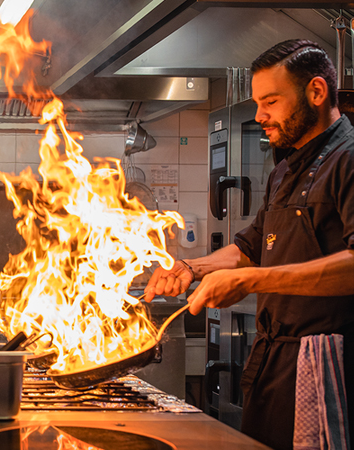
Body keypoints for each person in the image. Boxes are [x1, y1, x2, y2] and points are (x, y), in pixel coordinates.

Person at [144, 39, 354, 450]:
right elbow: (249, 248)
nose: (260, 116)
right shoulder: (286, 169)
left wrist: (254, 281)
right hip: (275, 364)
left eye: (271, 101)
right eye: (257, 103)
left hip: (328, 365)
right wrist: (191, 269)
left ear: (316, 91)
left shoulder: (348, 160)